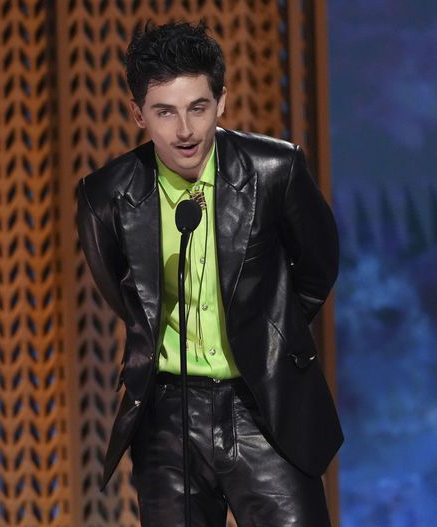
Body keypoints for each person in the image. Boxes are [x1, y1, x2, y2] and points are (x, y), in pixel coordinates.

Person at [76, 22, 342, 527]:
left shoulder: (274, 170)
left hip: (263, 403)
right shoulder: (105, 195)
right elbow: (125, 296)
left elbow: (317, 266)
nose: (185, 130)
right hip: (166, 414)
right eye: (165, 112)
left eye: (198, 107)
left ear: (221, 102)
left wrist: (268, 326)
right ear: (138, 114)